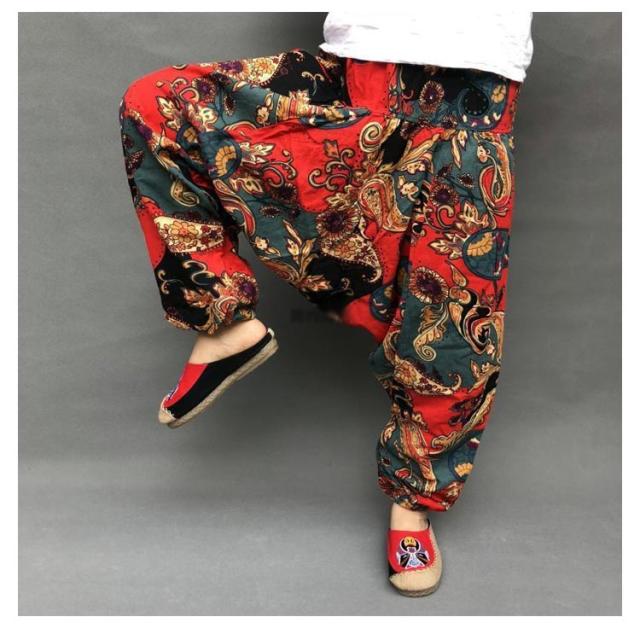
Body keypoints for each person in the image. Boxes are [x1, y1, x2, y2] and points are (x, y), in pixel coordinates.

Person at [119, 11, 533, 597]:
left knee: (451, 336)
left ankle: (413, 507)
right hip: (355, 81)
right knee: (159, 104)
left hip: (473, 103)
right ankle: (224, 322)